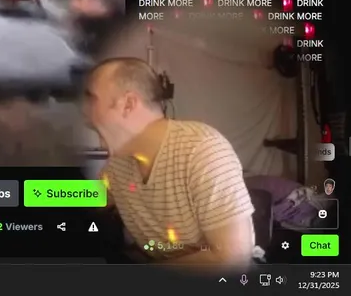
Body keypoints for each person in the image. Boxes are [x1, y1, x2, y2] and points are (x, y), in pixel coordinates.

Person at [85, 58, 255, 267]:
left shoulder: (202, 149)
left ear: (128, 104)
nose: (86, 115)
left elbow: (232, 259)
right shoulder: (119, 164)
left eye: (92, 99)